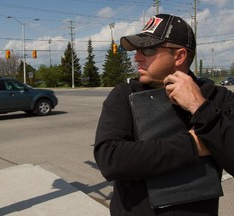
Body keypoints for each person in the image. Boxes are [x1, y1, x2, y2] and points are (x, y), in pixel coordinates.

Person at [94, 13, 234, 216]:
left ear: (179, 56)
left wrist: (200, 108)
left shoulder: (217, 98)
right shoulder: (124, 95)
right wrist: (192, 145)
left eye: (147, 49)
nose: (137, 57)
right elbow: (110, 159)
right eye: (137, 49)